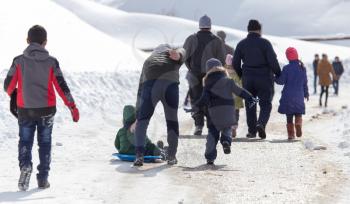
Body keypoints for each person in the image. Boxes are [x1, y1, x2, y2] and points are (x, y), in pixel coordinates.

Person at [3, 25, 79, 191]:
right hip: (46, 110)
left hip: (25, 109)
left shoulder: (18, 61)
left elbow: (8, 85)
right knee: (44, 144)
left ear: (27, 41)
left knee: (25, 141)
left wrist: (15, 94)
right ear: (45, 42)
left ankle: (25, 167)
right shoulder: (52, 62)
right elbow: (61, 86)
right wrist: (72, 107)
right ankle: (43, 178)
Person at [194, 58, 257, 165]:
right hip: (228, 111)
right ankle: (226, 141)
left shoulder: (207, 83)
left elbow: (204, 99)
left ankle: (210, 157)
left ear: (208, 70)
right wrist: (250, 97)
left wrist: (196, 107)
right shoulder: (228, 81)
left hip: (213, 113)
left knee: (212, 134)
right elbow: (240, 91)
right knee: (227, 128)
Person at [134, 44, 185, 166]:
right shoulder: (173, 55)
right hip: (170, 85)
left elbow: (141, 88)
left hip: (151, 85)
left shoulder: (148, 60)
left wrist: (138, 114)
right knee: (172, 120)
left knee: (143, 121)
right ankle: (172, 156)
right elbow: (184, 51)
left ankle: (139, 156)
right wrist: (180, 55)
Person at [233, 19, 281, 139]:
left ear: (248, 29)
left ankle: (252, 131)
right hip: (264, 78)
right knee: (265, 103)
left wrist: (241, 75)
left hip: (248, 78)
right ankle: (261, 123)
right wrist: (278, 73)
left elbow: (235, 62)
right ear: (259, 29)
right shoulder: (265, 43)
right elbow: (272, 60)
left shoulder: (241, 44)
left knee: (251, 103)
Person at [183, 15, 226, 136]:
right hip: (211, 75)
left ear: (200, 25)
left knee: (196, 99)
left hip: (194, 74)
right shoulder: (217, 40)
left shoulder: (191, 39)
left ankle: (198, 125)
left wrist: (191, 68)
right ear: (210, 25)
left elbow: (185, 57)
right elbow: (222, 59)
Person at [275, 47, 309, 140]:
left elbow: (281, 81)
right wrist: (306, 93)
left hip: (288, 96)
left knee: (289, 115)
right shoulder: (302, 68)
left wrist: (275, 78)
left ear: (288, 57)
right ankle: (298, 123)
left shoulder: (286, 68)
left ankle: (291, 134)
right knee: (298, 113)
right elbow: (305, 82)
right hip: (299, 95)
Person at [224, 54, 244, 138]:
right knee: (236, 114)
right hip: (236, 98)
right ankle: (234, 128)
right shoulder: (238, 73)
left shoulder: (223, 72)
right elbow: (241, 85)